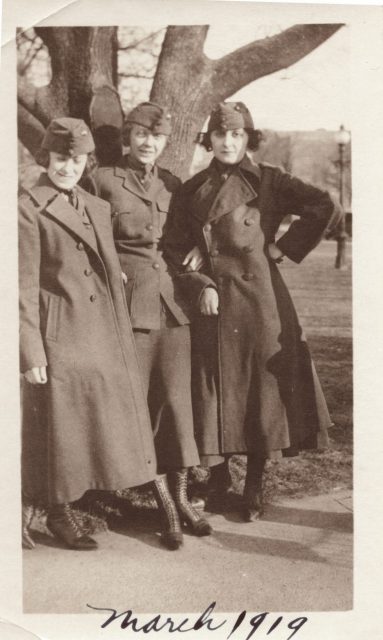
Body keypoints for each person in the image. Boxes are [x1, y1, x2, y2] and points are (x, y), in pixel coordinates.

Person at [165, 101, 341, 521]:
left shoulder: (270, 181)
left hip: (260, 302)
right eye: (221, 135)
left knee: (260, 394)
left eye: (237, 134)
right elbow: (173, 247)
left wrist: (282, 246)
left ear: (248, 138)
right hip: (213, 305)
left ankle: (254, 487)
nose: (228, 142)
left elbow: (324, 205)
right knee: (216, 389)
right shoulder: (191, 189)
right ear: (209, 140)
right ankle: (221, 479)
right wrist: (202, 282)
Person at [19, 117, 157, 550]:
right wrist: (31, 352)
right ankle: (56, 512)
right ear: (46, 158)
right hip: (58, 334)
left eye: (76, 160)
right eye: (60, 159)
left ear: (86, 161)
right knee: (58, 429)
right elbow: (20, 286)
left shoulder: (94, 205)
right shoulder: (25, 208)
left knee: (86, 427)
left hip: (99, 334)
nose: (67, 168)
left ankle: (74, 500)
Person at [94, 102, 212, 549]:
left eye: (157, 137)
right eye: (141, 134)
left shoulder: (173, 184)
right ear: (129, 137)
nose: (148, 142)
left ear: (166, 142)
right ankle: (166, 509)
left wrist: (200, 255)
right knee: (143, 408)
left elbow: (186, 236)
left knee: (176, 406)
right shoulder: (103, 180)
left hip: (171, 308)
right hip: (128, 308)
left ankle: (181, 500)